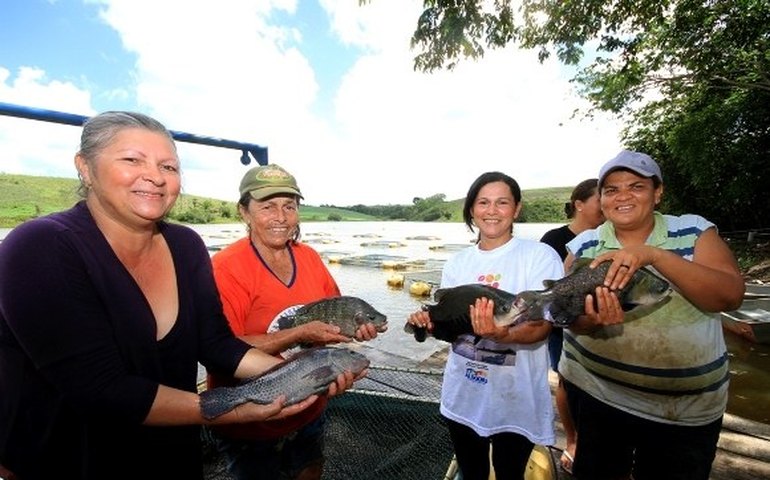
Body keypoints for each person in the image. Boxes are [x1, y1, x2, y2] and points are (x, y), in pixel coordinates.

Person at [0, 111, 361, 480]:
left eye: (169, 166)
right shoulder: (40, 247)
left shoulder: (186, 246)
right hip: (66, 460)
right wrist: (233, 409)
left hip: (170, 457)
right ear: (85, 167)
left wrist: (304, 373)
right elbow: (100, 390)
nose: (155, 176)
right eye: (132, 159)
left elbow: (216, 343)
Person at [560, 150, 745, 480]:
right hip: (598, 397)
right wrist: (590, 321)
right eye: (611, 189)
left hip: (685, 412)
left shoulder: (693, 231)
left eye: (636, 186)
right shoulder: (584, 246)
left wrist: (654, 256)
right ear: (600, 199)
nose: (623, 196)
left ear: (657, 193)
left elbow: (729, 296)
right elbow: (568, 316)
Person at [206, 163, 383, 480]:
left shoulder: (310, 258)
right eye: (267, 206)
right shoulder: (225, 268)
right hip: (250, 420)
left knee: (310, 470)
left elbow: (335, 323)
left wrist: (354, 336)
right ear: (244, 212)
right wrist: (300, 333)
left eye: (289, 206)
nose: (281, 217)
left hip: (308, 408)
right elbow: (219, 347)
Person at [407, 171, 563, 480]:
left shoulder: (540, 257)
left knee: (510, 473)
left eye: (502, 202)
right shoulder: (457, 263)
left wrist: (502, 333)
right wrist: (426, 324)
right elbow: (451, 331)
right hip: (463, 396)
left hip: (515, 400)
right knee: (472, 472)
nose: (492, 211)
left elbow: (542, 328)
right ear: (471, 210)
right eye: (483, 202)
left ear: (516, 209)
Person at [539, 178, 603, 474]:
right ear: (579, 204)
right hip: (560, 326)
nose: (605, 205)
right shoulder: (554, 239)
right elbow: (544, 287)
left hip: (602, 324)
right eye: (599, 199)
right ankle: (573, 441)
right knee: (567, 378)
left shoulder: (608, 237)